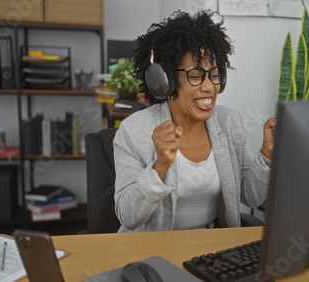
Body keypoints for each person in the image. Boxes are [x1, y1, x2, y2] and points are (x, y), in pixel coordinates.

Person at [113, 10, 275, 232]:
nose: (210, 87)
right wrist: (159, 167)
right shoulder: (133, 131)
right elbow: (128, 216)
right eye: (196, 76)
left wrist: (266, 156)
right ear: (165, 80)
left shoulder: (229, 123)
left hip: (209, 250)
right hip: (151, 252)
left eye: (215, 73)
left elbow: (249, 196)